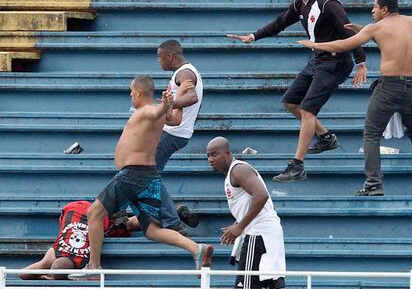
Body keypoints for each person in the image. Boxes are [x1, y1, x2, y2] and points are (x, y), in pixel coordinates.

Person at [227, 0, 367, 182]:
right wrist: (253, 37)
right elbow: (279, 23)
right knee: (291, 103)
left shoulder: (328, 3)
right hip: (317, 60)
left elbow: (348, 30)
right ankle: (326, 138)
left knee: (308, 110)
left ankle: (297, 166)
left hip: (335, 62)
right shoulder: (300, 4)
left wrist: (361, 62)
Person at [69, 76, 213, 280]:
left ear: (138, 92)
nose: (130, 95)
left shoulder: (147, 110)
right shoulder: (157, 114)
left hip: (133, 175)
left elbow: (157, 110)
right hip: (149, 176)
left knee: (94, 213)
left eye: (131, 91)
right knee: (152, 230)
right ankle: (196, 249)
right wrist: (176, 98)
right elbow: (176, 118)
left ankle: (93, 267)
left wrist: (166, 102)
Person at [298, 0, 412, 196]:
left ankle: (373, 183)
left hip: (389, 87)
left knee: (371, 134)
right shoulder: (410, 22)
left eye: (375, 7)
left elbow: (344, 44)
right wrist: (364, 30)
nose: (372, 10)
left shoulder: (377, 27)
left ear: (384, 9)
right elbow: (395, 38)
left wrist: (316, 45)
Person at [206, 137, 286, 289]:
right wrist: (238, 224)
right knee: (269, 285)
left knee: (246, 286)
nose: (210, 159)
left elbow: (261, 195)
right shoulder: (233, 172)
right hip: (263, 233)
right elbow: (252, 202)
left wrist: (240, 226)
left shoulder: (238, 170)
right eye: (208, 156)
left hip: (259, 234)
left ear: (227, 153)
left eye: (214, 155)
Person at [19, 201, 138, 280]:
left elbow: (22, 274)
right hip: (74, 210)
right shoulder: (55, 253)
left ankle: (150, 217)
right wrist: (44, 273)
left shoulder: (81, 264)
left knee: (129, 225)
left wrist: (47, 277)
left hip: (97, 219)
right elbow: (22, 273)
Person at [155, 39, 203, 230]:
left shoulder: (184, 73)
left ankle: (172, 219)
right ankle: (172, 214)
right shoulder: (183, 73)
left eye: (159, 58)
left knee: (148, 174)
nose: (159, 62)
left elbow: (192, 97)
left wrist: (168, 105)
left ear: (169, 56)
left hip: (172, 133)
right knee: (147, 174)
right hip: (175, 132)